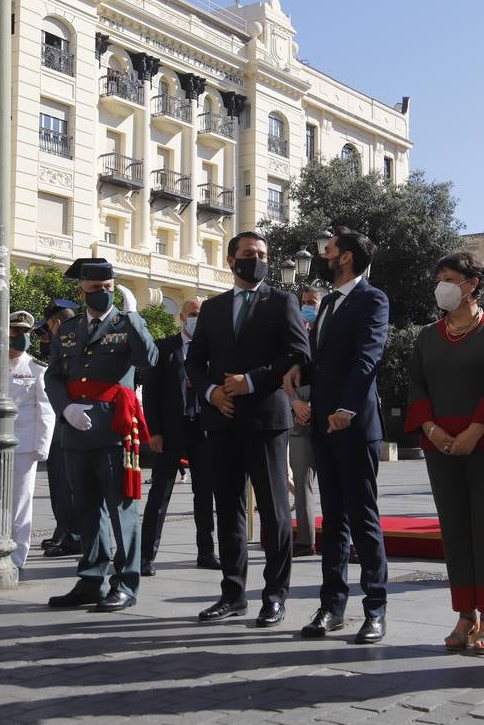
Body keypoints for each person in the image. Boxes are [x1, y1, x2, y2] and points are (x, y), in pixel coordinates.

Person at [187, 231, 309, 628]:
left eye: (261, 255)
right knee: (229, 510)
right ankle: (232, 593)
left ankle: (275, 597)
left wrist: (252, 381)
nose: (255, 260)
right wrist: (210, 393)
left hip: (267, 420)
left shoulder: (282, 302)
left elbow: (297, 353)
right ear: (230, 259)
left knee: (274, 512)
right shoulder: (214, 307)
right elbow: (195, 361)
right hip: (222, 421)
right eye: (247, 254)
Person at [406, 251, 484, 654]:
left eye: (450, 278)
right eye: (439, 278)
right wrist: (431, 429)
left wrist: (474, 431)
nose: (442, 285)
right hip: (439, 443)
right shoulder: (427, 335)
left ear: (472, 284)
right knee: (453, 528)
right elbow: (417, 388)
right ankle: (464, 614)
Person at [293, 228, 390, 645]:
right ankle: (332, 606)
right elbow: (324, 360)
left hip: (353, 425)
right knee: (332, 520)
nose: (324, 256)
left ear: (346, 258)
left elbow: (368, 354)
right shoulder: (329, 302)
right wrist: (300, 370)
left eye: (329, 251)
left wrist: (346, 409)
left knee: (362, 517)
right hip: (322, 425)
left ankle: (375, 610)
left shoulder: (373, 299)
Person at [45, 259, 157, 612]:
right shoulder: (69, 329)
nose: (102, 294)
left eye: (108, 288)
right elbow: (53, 376)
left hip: (113, 430)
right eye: (95, 290)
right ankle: (91, 578)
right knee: (86, 510)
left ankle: (125, 582)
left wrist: (135, 315)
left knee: (121, 510)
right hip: (76, 430)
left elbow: (149, 359)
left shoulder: (125, 324)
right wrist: (65, 409)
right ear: (81, 291)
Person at [141, 298, 219, 576]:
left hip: (202, 428)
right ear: (182, 318)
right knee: (159, 493)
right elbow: (150, 393)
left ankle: (206, 552)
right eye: (193, 314)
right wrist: (155, 431)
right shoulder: (164, 349)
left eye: (201, 315)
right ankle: (146, 555)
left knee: (204, 494)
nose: (197, 319)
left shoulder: (212, 351)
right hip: (171, 429)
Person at [7, 311, 55, 569]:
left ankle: (17, 556)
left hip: (24, 443)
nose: (21, 337)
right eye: (16, 332)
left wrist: (42, 444)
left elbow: (45, 408)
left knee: (20, 502)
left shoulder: (37, 368)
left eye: (25, 332)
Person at [39, 303, 81, 557]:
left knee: (69, 483)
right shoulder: (64, 343)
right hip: (61, 420)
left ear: (55, 324)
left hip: (69, 421)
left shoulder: (72, 343)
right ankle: (64, 531)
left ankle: (73, 536)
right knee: (59, 482)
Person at [289, 285, 323, 558]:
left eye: (312, 302)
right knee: (301, 480)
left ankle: (346, 541)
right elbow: (282, 374)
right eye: (304, 301)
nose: (307, 306)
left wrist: (312, 405)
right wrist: (295, 404)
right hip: (297, 412)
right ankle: (305, 540)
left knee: (336, 480)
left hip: (325, 410)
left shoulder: (330, 334)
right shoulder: (292, 334)